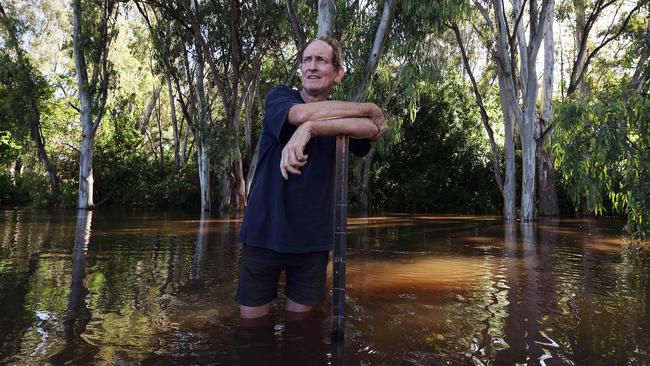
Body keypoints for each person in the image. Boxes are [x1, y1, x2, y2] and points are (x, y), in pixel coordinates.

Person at [236, 36, 388, 320]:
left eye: (321, 60)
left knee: (301, 329)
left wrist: (311, 130)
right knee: (252, 330)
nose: (312, 67)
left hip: (313, 241)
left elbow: (372, 130)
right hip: (265, 231)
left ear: (338, 73)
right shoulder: (279, 97)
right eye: (307, 60)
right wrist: (367, 107)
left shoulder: (336, 111)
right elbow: (303, 113)